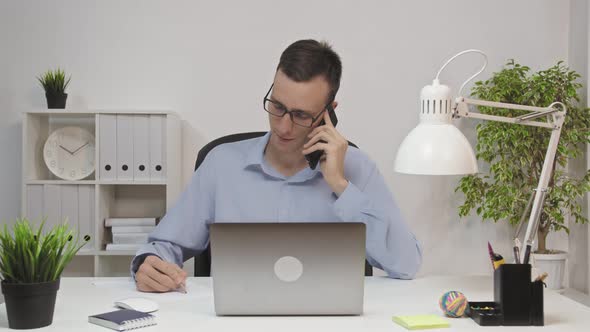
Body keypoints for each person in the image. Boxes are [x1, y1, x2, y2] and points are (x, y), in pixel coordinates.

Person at [131, 39, 422, 293]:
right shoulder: (221, 164)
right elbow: (166, 245)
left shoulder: (356, 169)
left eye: (301, 115)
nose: (283, 126)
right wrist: (150, 264)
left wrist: (340, 186)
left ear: (329, 114)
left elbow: (406, 264)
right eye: (278, 106)